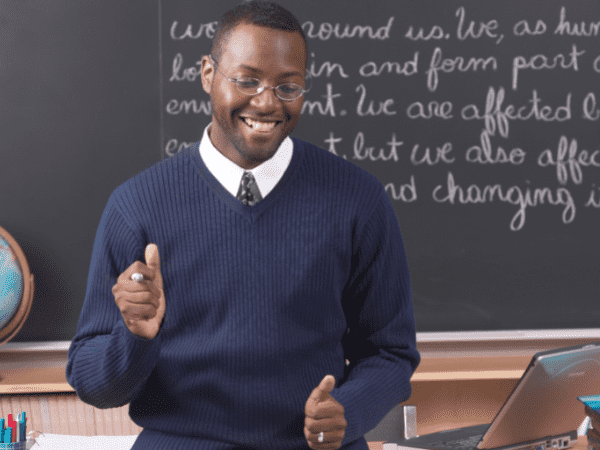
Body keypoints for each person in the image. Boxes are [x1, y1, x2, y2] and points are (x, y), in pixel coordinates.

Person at [66, 2, 420, 450]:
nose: (267, 102)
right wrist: (135, 338)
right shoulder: (136, 206)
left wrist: (349, 408)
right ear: (207, 74)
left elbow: (390, 352)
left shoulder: (357, 199)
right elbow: (93, 384)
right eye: (247, 80)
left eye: (288, 87)